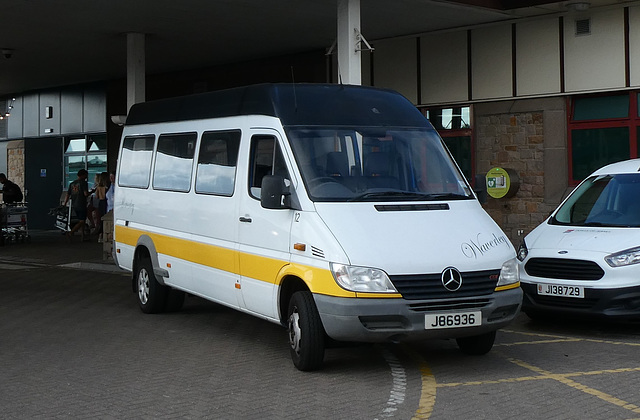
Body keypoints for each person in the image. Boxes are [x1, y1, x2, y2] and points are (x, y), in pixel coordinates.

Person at [63, 169, 90, 241]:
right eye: (86, 175)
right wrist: (92, 191)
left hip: (74, 204)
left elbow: (68, 194)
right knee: (82, 221)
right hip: (81, 204)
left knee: (81, 220)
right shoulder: (83, 183)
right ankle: (71, 232)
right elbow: (86, 194)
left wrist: (65, 203)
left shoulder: (72, 183)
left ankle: (82, 235)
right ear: (83, 175)